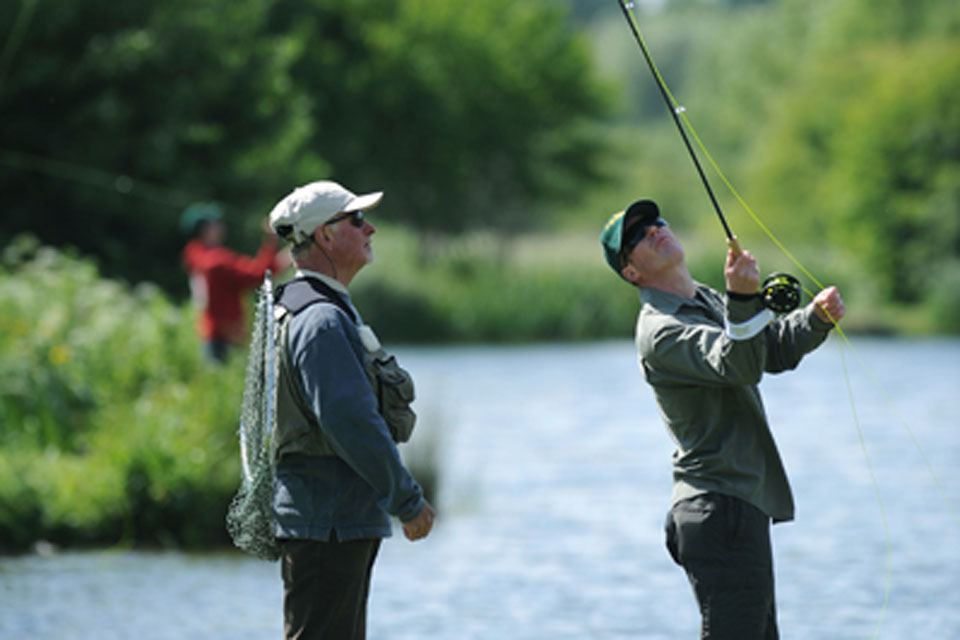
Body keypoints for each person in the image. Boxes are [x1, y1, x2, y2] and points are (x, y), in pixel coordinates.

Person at [600, 199, 845, 639]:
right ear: (630, 273)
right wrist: (743, 299)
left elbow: (767, 350)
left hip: (739, 505)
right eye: (637, 237)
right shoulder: (660, 331)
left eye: (655, 221)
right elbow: (739, 364)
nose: (654, 230)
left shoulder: (706, 298)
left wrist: (814, 318)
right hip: (717, 507)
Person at [267, 180, 436, 640]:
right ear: (324, 235)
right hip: (328, 523)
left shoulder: (314, 307)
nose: (371, 228)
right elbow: (349, 419)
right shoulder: (320, 319)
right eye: (357, 220)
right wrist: (406, 499)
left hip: (331, 521)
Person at [180, 202, 288, 362]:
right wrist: (271, 242)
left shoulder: (195, 257)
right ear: (205, 230)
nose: (221, 227)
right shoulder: (215, 262)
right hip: (225, 338)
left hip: (211, 334)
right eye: (216, 224)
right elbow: (258, 275)